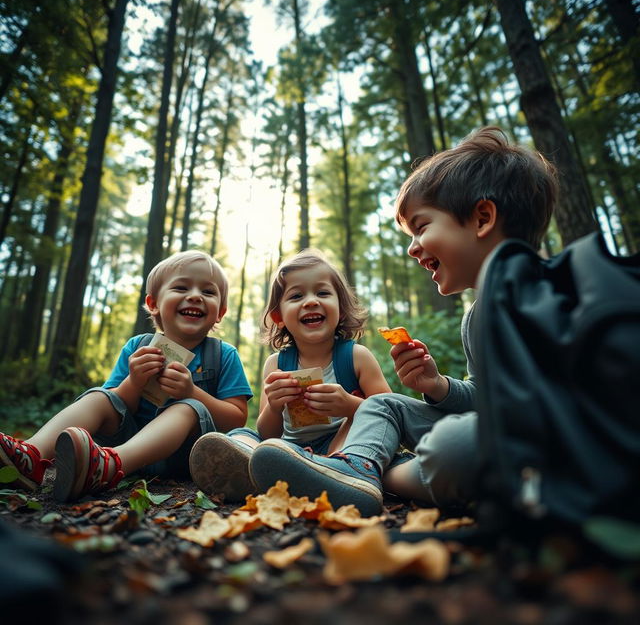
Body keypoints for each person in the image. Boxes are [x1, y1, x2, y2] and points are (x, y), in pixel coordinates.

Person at [247, 126, 559, 517]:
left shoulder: (551, 291)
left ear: (482, 218)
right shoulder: (475, 318)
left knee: (451, 445)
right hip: (494, 437)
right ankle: (358, 469)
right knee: (385, 407)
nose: (412, 248)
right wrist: (438, 386)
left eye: (422, 227)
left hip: (548, 437)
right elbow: (482, 394)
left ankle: (383, 477)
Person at [0, 251, 253, 502]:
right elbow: (115, 405)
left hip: (183, 455)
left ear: (220, 312)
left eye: (208, 292)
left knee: (187, 408)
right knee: (99, 396)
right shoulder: (137, 347)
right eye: (181, 287)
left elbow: (236, 419)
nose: (195, 296)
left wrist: (192, 393)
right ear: (153, 303)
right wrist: (133, 382)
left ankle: (108, 468)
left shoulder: (223, 355)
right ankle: (32, 456)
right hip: (127, 439)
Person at [189, 248, 393, 501]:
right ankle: (259, 472)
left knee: (360, 417)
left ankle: (325, 474)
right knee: (242, 437)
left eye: (322, 293)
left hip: (340, 449)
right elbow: (268, 433)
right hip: (289, 451)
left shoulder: (356, 357)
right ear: (279, 316)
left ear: (340, 307)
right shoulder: (276, 364)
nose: (310, 301)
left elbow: (388, 414)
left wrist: (349, 405)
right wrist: (274, 407)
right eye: (296, 296)